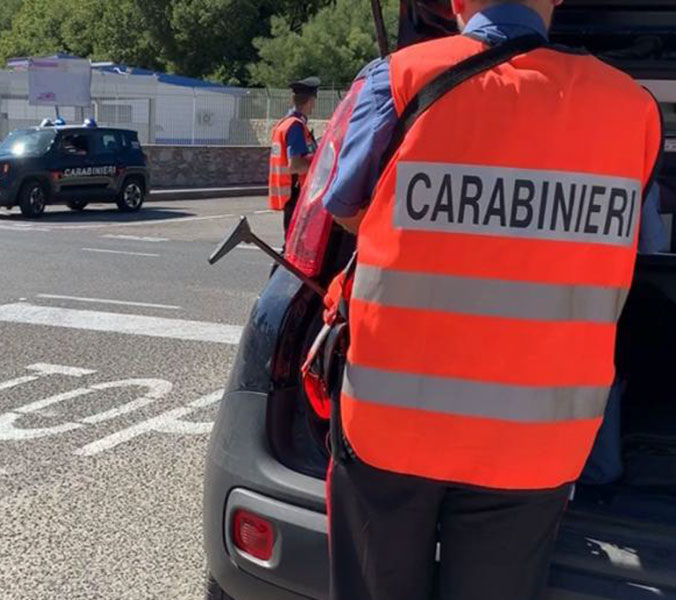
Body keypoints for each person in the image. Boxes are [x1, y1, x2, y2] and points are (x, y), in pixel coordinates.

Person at [317, 1, 664, 599]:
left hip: (392, 423)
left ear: (454, 1)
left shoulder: (401, 78)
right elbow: (644, 243)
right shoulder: (634, 109)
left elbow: (344, 209)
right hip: (538, 441)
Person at [268, 77, 320, 236]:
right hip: (296, 192)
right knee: (294, 241)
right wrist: (319, 163)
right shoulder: (296, 126)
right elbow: (295, 165)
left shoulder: (283, 124)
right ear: (311, 101)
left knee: (290, 240)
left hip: (287, 192)